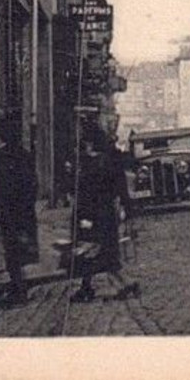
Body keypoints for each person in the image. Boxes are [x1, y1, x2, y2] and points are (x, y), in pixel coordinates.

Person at [70, 124, 137, 303]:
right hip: (106, 212)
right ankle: (125, 284)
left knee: (88, 251)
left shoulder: (91, 164)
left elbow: (84, 192)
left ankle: (87, 288)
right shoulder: (109, 160)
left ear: (90, 143)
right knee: (103, 252)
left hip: (91, 214)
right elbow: (120, 188)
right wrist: (125, 207)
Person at [0, 119, 38, 306]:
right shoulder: (25, 154)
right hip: (24, 210)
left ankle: (19, 292)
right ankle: (20, 288)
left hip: (9, 211)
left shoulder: (2, 156)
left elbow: (2, 186)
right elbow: (33, 183)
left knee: (11, 252)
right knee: (19, 252)